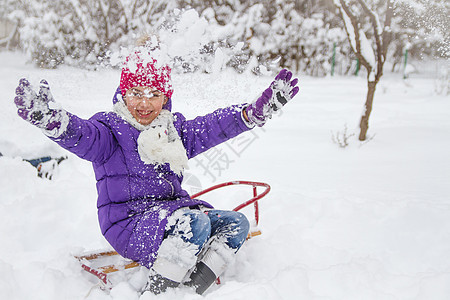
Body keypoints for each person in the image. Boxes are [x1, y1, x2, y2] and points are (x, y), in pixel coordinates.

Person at [13, 38, 299, 295]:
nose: (145, 103)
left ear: (166, 97)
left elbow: (213, 127)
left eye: (154, 94)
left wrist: (251, 113)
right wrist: (53, 121)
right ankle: (159, 293)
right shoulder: (109, 130)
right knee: (195, 223)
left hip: (171, 215)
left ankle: (191, 289)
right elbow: (81, 135)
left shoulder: (173, 131)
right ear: (123, 93)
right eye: (136, 93)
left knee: (236, 224)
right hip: (128, 224)